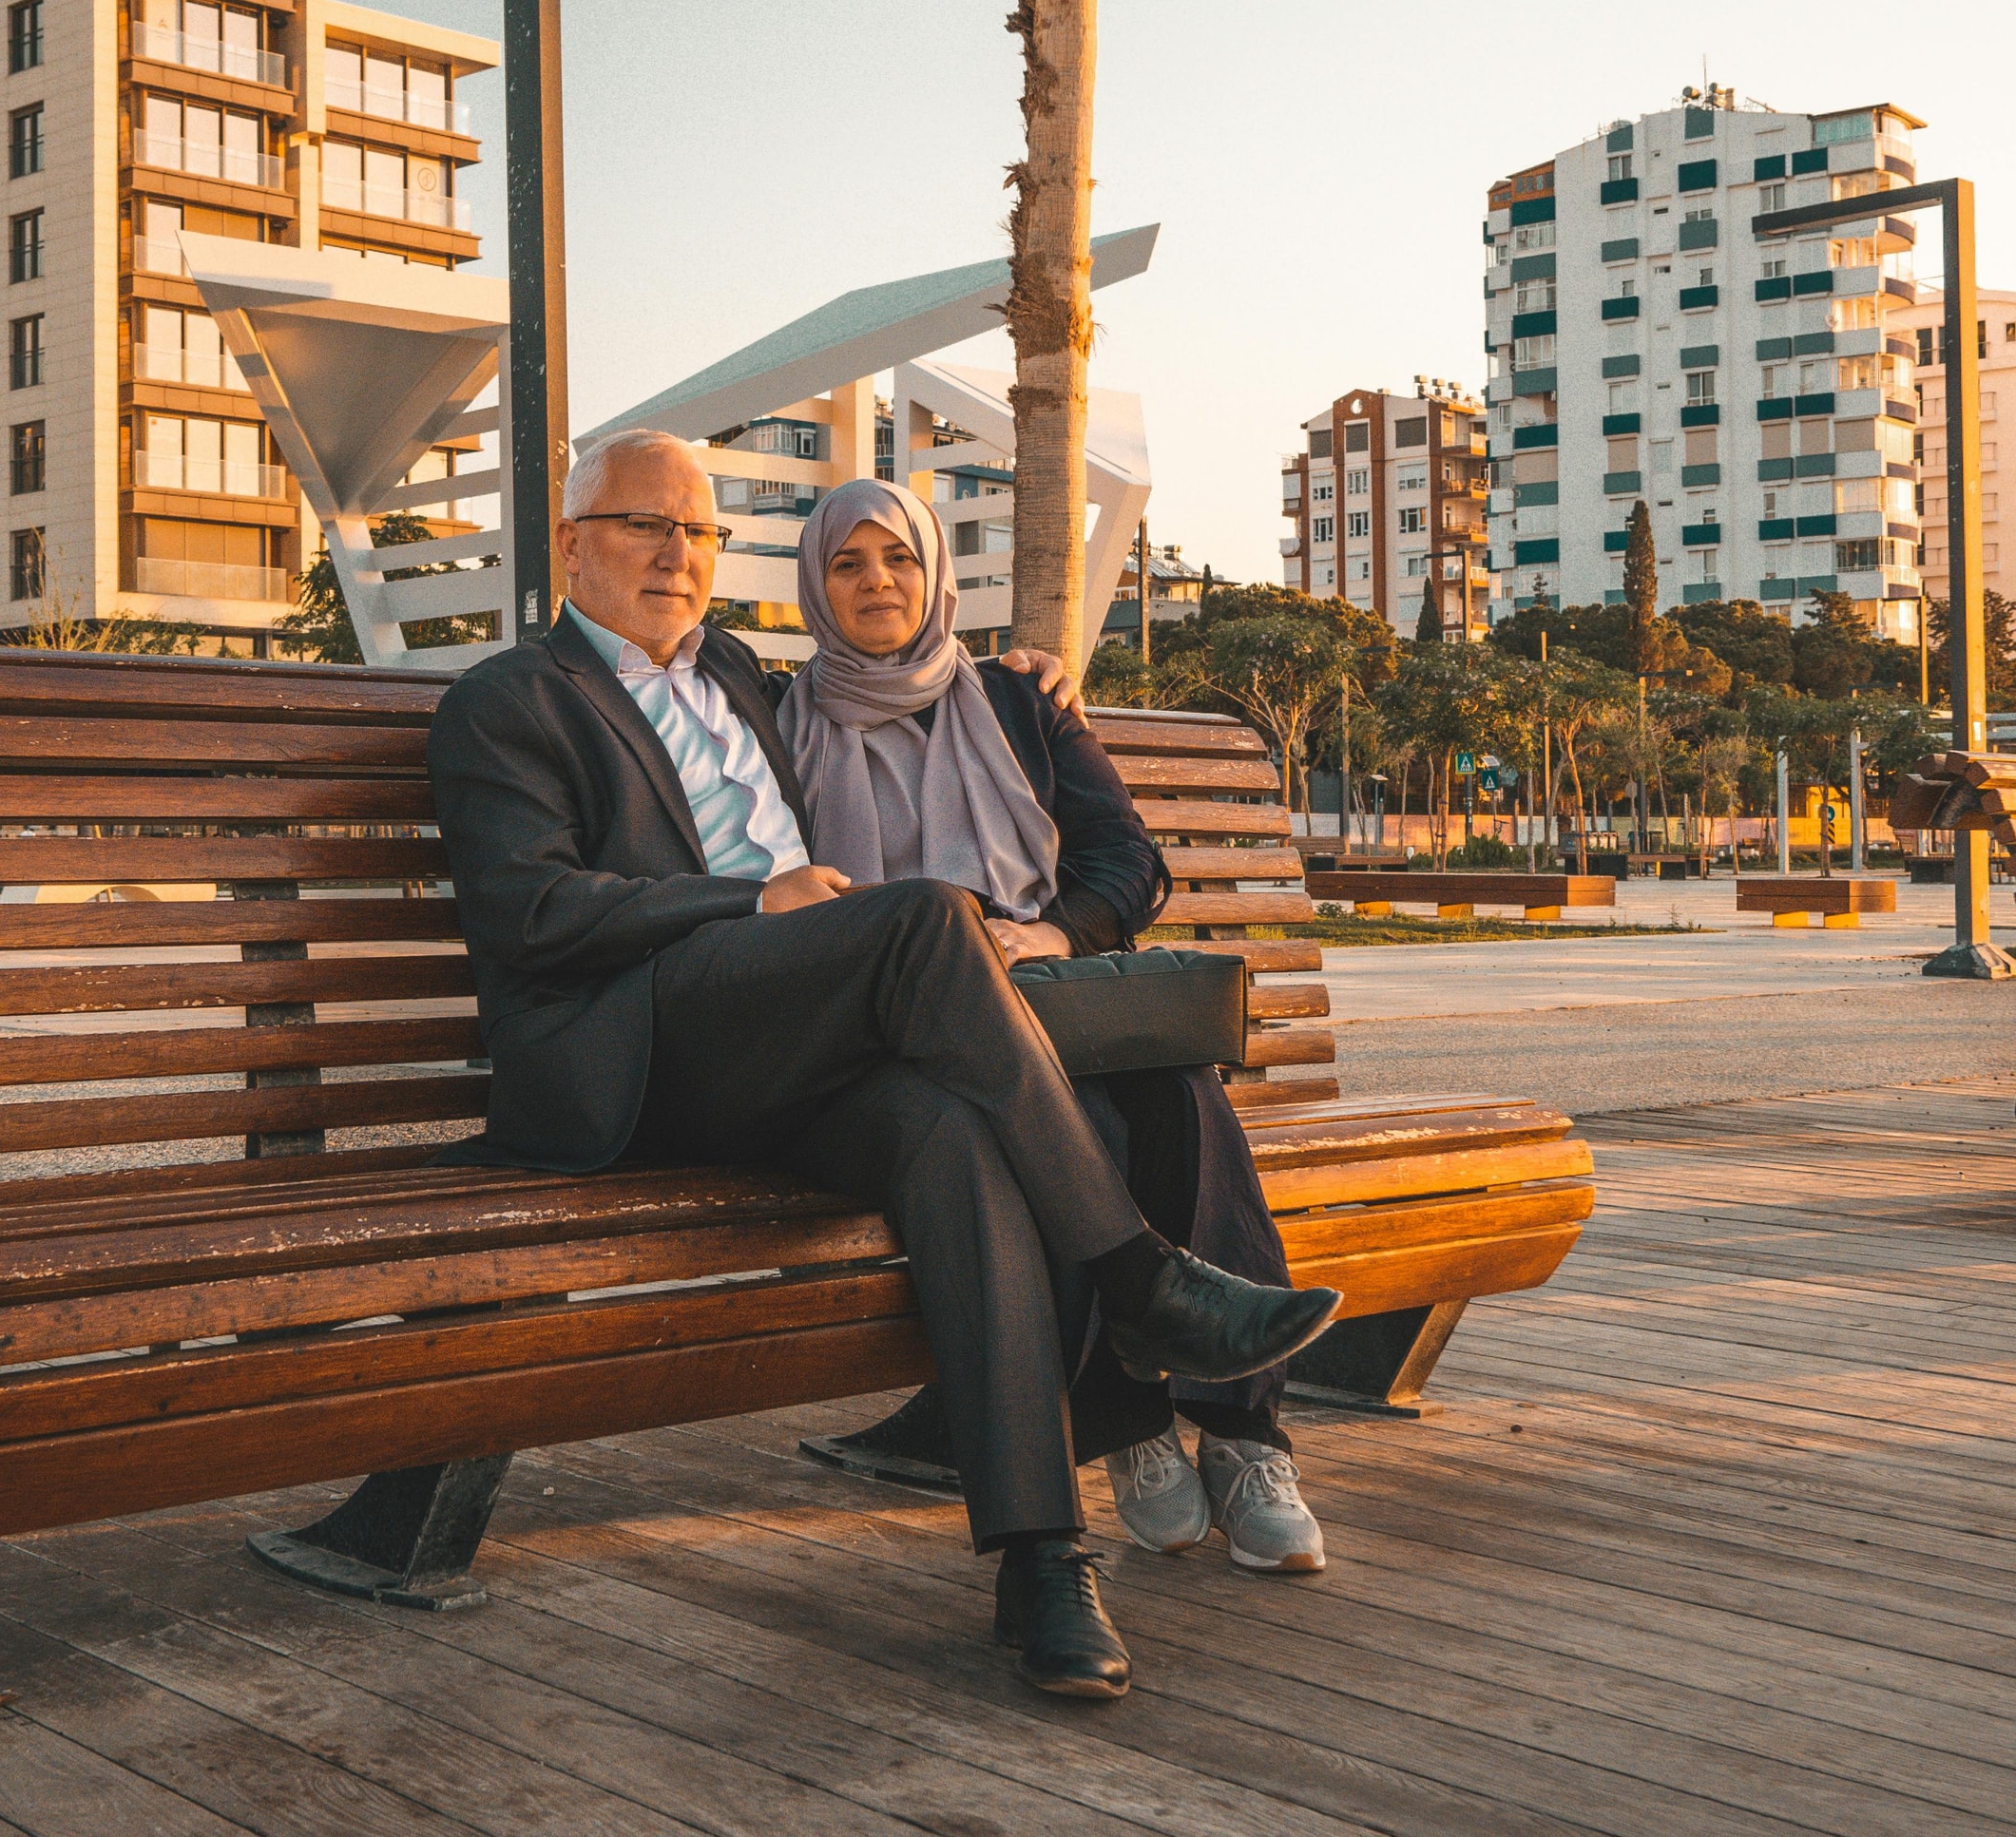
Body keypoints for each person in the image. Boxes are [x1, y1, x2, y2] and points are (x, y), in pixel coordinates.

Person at [428, 431, 1341, 1699]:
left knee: (950, 1135)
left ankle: (1039, 1557)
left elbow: (892, 670)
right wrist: (747, 910)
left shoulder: (748, 678)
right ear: (572, 541)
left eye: (698, 533)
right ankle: (1135, 1274)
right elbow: (526, 916)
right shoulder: (512, 700)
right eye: (646, 526)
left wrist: (1027, 673)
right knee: (921, 913)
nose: (678, 556)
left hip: (788, 1054)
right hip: (640, 1053)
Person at [778, 476, 1329, 1576]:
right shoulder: (775, 718)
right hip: (905, 1036)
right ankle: (1131, 1428)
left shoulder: (1019, 700)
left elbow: (1129, 861)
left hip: (1054, 993)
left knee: (1178, 1092)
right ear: (815, 585)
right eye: (848, 563)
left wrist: (1059, 934)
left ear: (935, 572)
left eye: (898, 558)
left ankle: (1243, 1434)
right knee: (1072, 1122)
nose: (877, 581)